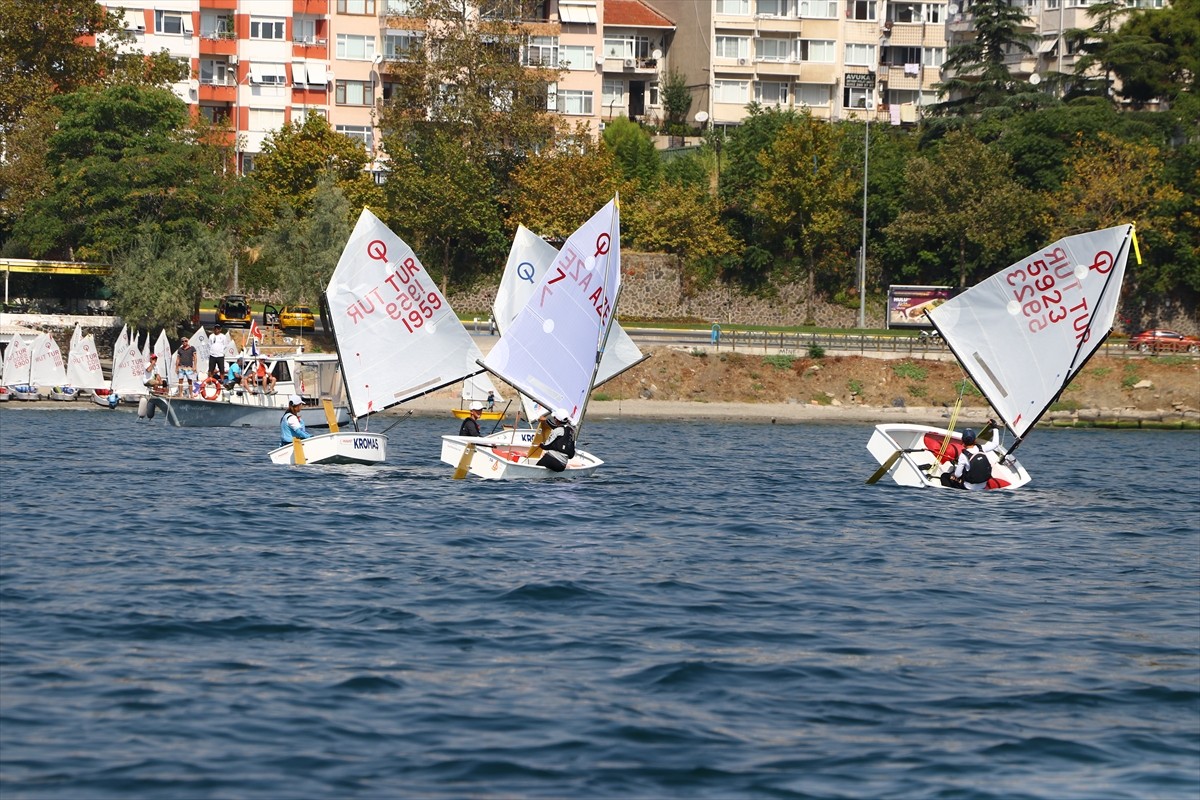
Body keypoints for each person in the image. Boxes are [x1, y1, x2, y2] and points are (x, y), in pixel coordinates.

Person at [941, 421, 1002, 491]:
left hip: (969, 487)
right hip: (983, 485)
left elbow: (957, 475)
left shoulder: (963, 456)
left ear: (962, 441)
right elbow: (995, 444)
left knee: (945, 476)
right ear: (975, 440)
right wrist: (995, 428)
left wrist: (953, 474)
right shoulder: (982, 449)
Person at [535, 408, 575, 472]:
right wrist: (546, 420)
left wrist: (541, 445)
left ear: (556, 419)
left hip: (551, 460)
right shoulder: (572, 431)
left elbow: (546, 446)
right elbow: (559, 429)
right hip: (562, 466)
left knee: (536, 470)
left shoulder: (557, 430)